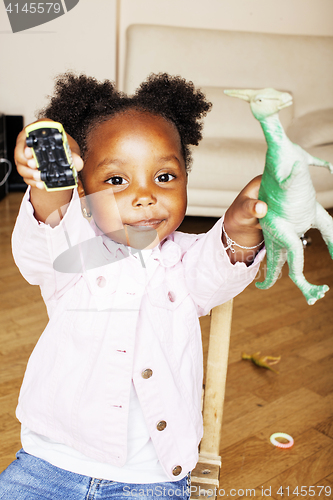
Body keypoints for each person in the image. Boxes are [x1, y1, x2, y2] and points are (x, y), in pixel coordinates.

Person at [0, 73, 267, 500]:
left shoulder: (185, 259)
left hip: (149, 477)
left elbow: (222, 263)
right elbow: (49, 228)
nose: (145, 196)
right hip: (49, 463)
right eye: (117, 180)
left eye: (164, 177)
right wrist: (47, 174)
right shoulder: (75, 252)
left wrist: (242, 218)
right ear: (83, 190)